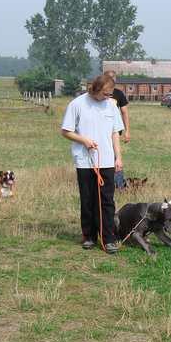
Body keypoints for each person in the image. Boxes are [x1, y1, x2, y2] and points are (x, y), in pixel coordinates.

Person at [61, 74, 124, 254]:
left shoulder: (112, 105)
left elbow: (115, 133)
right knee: (88, 200)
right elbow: (66, 131)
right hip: (85, 161)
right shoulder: (77, 104)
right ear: (95, 90)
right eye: (105, 93)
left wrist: (118, 157)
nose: (108, 97)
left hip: (106, 161)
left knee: (107, 201)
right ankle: (89, 236)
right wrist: (83, 140)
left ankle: (109, 238)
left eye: (110, 93)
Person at [104, 70, 131, 189]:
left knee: (115, 156)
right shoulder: (100, 93)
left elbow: (124, 112)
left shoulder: (119, 94)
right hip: (102, 130)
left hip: (114, 130)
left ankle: (119, 185)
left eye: (112, 79)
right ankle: (108, 182)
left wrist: (127, 131)